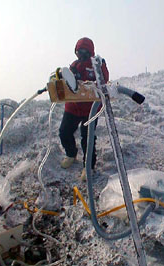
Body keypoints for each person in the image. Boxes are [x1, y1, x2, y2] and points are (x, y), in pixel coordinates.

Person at [59, 37, 109, 181]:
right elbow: (68, 83)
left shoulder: (97, 65)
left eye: (84, 51)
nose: (81, 54)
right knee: (64, 131)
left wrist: (102, 66)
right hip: (73, 106)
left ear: (90, 51)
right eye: (79, 51)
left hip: (90, 108)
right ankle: (71, 153)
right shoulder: (74, 65)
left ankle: (88, 167)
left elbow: (104, 80)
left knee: (87, 138)